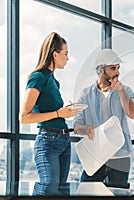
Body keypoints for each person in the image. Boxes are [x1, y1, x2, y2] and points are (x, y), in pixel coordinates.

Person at [19, 32, 84, 195]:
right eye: (66, 53)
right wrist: (59, 113)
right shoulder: (37, 77)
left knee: (61, 191)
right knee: (48, 188)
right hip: (48, 142)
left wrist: (65, 112)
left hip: (63, 141)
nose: (68, 58)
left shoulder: (54, 82)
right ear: (55, 54)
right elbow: (24, 117)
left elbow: (55, 112)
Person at [73, 49, 134, 188]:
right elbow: (77, 126)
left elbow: (133, 114)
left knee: (119, 193)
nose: (118, 72)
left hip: (120, 157)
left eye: (118, 68)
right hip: (95, 156)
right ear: (101, 70)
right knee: (86, 191)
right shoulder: (85, 94)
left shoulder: (125, 90)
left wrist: (121, 92)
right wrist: (87, 129)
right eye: (113, 68)